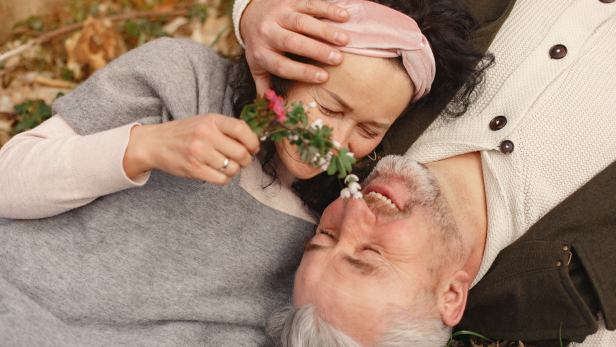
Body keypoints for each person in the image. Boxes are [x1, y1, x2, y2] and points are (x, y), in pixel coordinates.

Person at [0, 0, 491, 345]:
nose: (336, 144)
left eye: (367, 129)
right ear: (285, 65)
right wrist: (145, 148)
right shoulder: (183, 80)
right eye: (328, 106)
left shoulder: (323, 233)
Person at [233, 0, 616, 345]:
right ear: (450, 295)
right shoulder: (573, 294)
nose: (351, 212)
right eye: (371, 253)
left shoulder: (365, 111)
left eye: (324, 236)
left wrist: (253, 13)